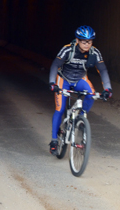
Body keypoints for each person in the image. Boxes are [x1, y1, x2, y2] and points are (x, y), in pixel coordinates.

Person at [48, 26, 112, 155]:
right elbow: (55, 64)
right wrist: (52, 83)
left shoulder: (94, 52)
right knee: (60, 109)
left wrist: (108, 88)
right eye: (84, 41)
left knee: (91, 95)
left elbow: (103, 70)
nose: (87, 44)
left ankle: (82, 118)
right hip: (64, 79)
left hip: (80, 79)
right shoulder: (67, 49)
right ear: (77, 40)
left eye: (90, 42)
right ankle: (54, 140)